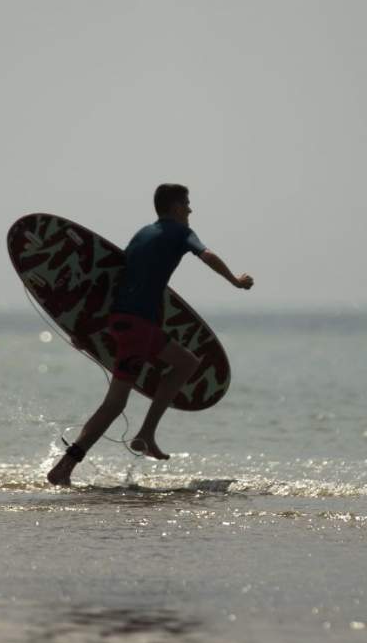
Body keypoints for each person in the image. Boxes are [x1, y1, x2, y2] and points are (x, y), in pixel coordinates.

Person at [47, 184, 253, 486]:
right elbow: (206, 255)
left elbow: (113, 279)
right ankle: (81, 460)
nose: (191, 210)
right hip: (139, 328)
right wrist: (235, 280)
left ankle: (102, 452)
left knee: (163, 375)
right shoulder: (181, 233)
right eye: (187, 204)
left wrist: (84, 328)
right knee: (132, 394)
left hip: (121, 322)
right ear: (175, 207)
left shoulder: (142, 234)